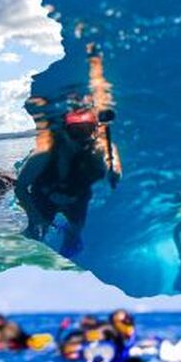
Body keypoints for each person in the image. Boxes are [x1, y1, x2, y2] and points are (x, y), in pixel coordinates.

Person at [15, 108, 121, 257]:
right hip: (44, 196)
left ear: (95, 131)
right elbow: (20, 187)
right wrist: (34, 215)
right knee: (36, 232)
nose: (81, 139)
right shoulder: (43, 154)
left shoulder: (100, 150)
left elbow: (113, 164)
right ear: (64, 132)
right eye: (76, 132)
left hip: (76, 197)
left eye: (87, 131)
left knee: (75, 232)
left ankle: (68, 243)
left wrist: (114, 171)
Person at [83, 309, 151, 362]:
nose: (129, 324)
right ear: (115, 322)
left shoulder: (126, 338)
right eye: (125, 321)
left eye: (130, 321)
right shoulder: (108, 331)